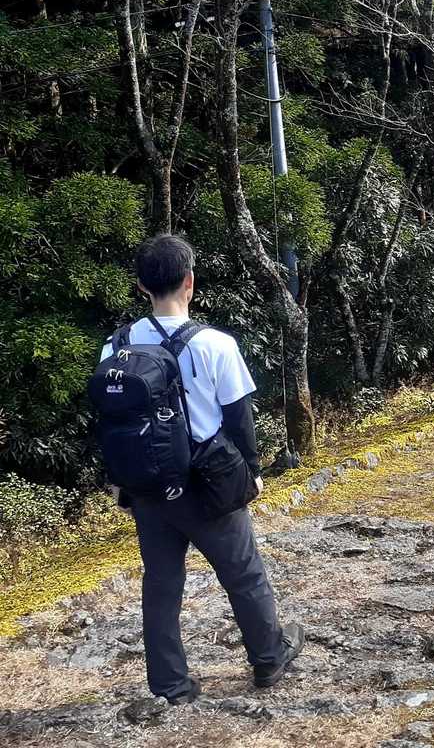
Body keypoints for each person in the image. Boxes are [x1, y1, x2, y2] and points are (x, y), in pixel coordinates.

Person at [99, 234, 303, 703]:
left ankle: (170, 684)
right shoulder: (215, 344)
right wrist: (251, 472)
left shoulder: (117, 346)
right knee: (243, 573)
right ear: (189, 281)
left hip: (149, 487)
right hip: (209, 483)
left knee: (161, 583)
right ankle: (268, 657)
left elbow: (112, 422)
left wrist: (120, 483)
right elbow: (239, 418)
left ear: (141, 286)